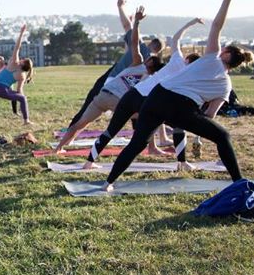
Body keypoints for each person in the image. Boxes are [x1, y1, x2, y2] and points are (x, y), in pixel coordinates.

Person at [103, 0, 254, 191]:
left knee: (138, 143)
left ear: (226, 52)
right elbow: (209, 116)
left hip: (157, 96)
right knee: (223, 136)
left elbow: (217, 26)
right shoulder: (226, 85)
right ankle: (238, 183)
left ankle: (108, 183)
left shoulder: (212, 56)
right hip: (180, 106)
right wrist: (195, 129)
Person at [83, 17, 204, 170]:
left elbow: (176, 38)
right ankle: (182, 162)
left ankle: (89, 162)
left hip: (131, 96)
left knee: (112, 130)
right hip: (148, 102)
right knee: (178, 126)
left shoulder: (176, 61)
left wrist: (190, 23)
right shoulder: (188, 73)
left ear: (187, 59)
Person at [54, 6, 164, 153]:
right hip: (117, 101)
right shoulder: (148, 76)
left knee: (80, 124)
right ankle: (151, 147)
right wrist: (136, 22)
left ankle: (59, 148)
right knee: (147, 116)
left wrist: (137, 22)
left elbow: (134, 43)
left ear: (150, 63)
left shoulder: (137, 62)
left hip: (103, 95)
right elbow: (135, 43)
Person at [67, 0, 163, 128]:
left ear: (150, 43)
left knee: (89, 106)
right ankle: (140, 139)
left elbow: (127, 26)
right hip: (126, 87)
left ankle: (70, 132)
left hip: (113, 80)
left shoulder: (141, 47)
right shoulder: (152, 63)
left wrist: (121, 7)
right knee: (136, 111)